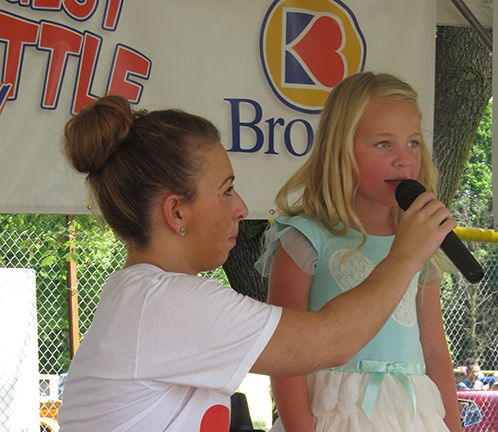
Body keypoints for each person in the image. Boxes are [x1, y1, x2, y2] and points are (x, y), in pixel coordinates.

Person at [57, 95, 457, 431]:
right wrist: (405, 256)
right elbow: (333, 341)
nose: (242, 208)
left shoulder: (148, 297)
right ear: (176, 213)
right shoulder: (165, 303)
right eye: (226, 191)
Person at [256, 72, 462, 431]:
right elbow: (285, 357)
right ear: (339, 148)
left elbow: (433, 350)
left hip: (412, 417)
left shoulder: (419, 239)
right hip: (336, 415)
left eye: (413, 143)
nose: (403, 159)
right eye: (384, 144)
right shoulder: (307, 238)